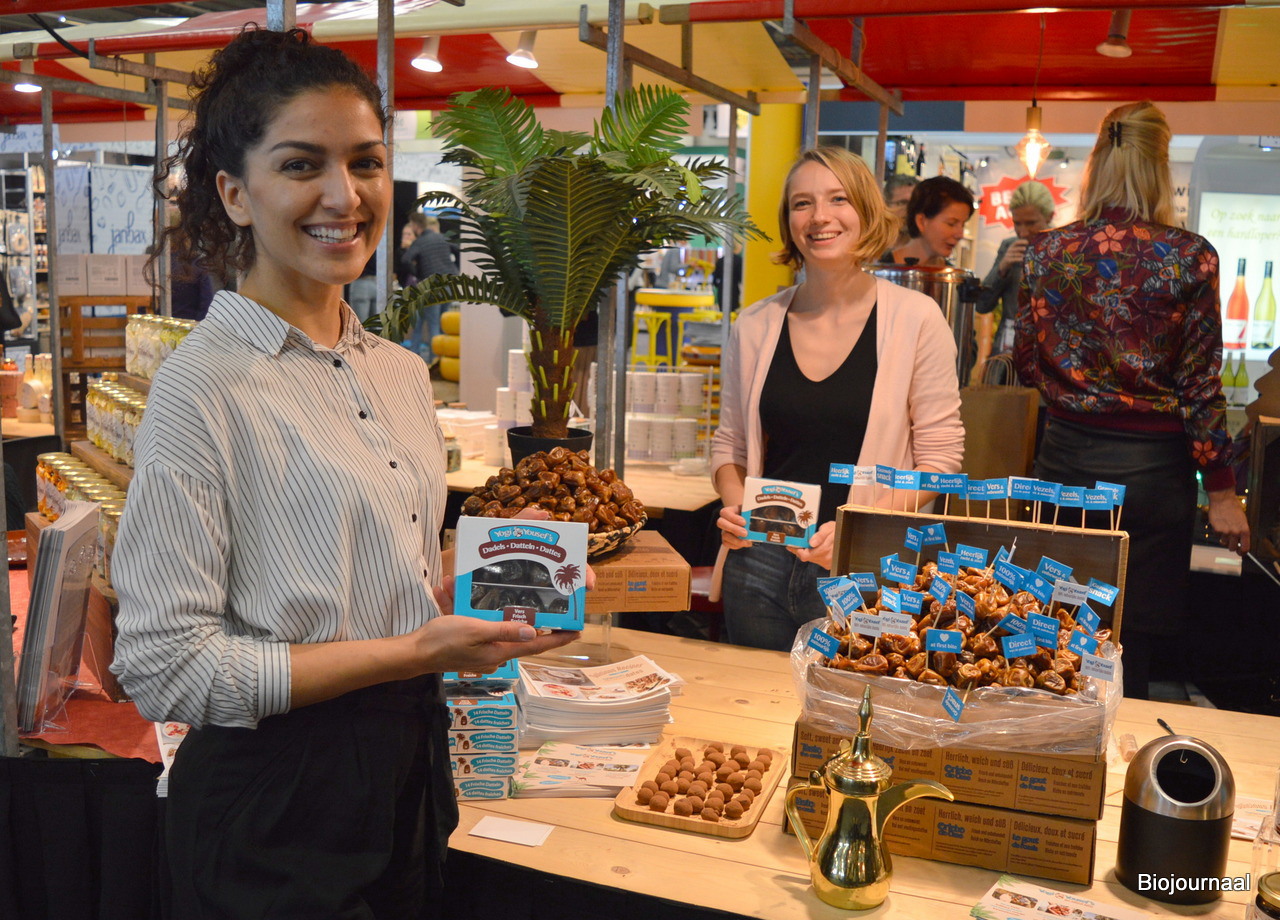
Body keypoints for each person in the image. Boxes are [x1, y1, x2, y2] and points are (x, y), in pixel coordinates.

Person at [108, 28, 576, 919]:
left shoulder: (397, 373)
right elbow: (167, 668)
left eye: (365, 162)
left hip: (407, 774)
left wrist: (494, 584)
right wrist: (414, 652)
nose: (344, 195)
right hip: (272, 805)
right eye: (301, 165)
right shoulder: (201, 388)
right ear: (234, 194)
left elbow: (376, 582)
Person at [1013, 100, 1250, 701]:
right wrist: (1222, 492)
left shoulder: (1045, 250)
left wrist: (1078, 390)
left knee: (1053, 633)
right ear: (1159, 164)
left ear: (1099, 160)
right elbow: (1200, 385)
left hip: (1064, 464)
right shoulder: (1189, 255)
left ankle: (1051, 751)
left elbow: (1026, 362)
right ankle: (1125, 753)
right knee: (1131, 647)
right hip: (1153, 480)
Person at [710, 146, 965, 652]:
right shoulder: (755, 323)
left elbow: (940, 464)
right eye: (802, 203)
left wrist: (854, 530)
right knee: (749, 698)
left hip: (864, 568)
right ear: (789, 222)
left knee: (852, 701)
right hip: (759, 563)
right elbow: (729, 444)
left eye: (838, 199)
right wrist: (735, 507)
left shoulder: (916, 319)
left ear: (866, 211)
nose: (819, 216)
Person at [973, 180, 1054, 382]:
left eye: (1031, 223)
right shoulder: (1009, 246)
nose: (1023, 232)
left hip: (1048, 356)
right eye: (1017, 223)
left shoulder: (1062, 249)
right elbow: (982, 305)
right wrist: (1002, 268)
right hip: (1007, 358)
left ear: (1049, 217)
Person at [401, 214, 457, 363]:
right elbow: (458, 250)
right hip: (449, 283)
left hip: (432, 285)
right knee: (442, 324)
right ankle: (442, 360)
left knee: (433, 325)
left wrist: (417, 273)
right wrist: (455, 268)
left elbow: (405, 260)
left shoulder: (420, 242)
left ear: (415, 225)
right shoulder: (442, 238)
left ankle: (434, 361)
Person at [884, 175, 975, 266]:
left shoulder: (952, 273)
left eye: (963, 225)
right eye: (951, 224)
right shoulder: (882, 269)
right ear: (921, 221)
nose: (960, 235)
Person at [883, 174, 919, 251]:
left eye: (915, 203)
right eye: (903, 203)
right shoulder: (871, 247)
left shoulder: (927, 250)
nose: (910, 209)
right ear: (886, 205)